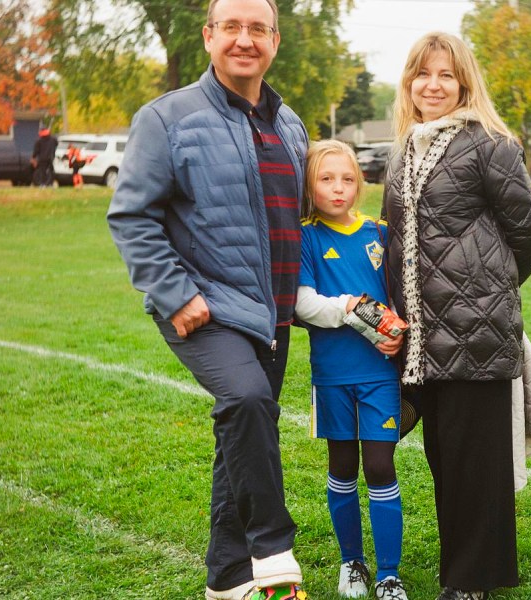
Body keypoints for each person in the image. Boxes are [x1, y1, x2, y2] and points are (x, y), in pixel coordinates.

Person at [106, 1, 310, 599]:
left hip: (271, 311)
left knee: (239, 439)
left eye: (257, 29)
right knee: (247, 402)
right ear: (209, 37)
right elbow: (131, 217)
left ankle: (226, 579)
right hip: (204, 308)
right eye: (231, 28)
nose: (243, 40)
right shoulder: (165, 118)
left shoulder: (289, 124)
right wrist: (175, 293)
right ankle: (271, 551)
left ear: (274, 40)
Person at [381, 32, 531, 600]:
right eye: (422, 74)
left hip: (476, 332)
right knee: (446, 460)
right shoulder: (404, 149)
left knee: (476, 464)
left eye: (445, 75)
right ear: (409, 83)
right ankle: (466, 568)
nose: (433, 85)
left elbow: (528, 232)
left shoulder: (490, 145)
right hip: (422, 338)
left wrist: (485, 295)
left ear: (464, 82)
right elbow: (397, 237)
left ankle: (471, 582)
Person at [295, 140, 407, 600]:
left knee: (380, 465)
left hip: (380, 373)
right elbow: (302, 304)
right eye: (325, 179)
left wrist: (395, 328)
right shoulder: (305, 236)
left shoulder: (379, 232)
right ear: (309, 185)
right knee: (342, 466)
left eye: (346, 179)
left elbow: (399, 294)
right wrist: (351, 308)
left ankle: (389, 574)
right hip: (332, 375)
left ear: (359, 183)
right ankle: (352, 563)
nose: (337, 188)